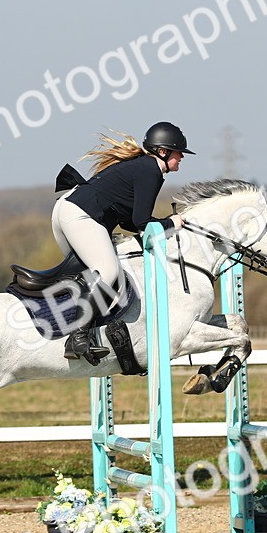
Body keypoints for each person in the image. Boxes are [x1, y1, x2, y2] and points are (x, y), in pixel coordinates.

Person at [51, 121, 195, 362]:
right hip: (80, 214)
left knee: (88, 277)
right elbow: (141, 222)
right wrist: (172, 223)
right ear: (163, 151)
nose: (181, 157)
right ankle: (76, 339)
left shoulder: (141, 166)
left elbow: (130, 222)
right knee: (107, 272)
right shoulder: (152, 170)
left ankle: (81, 330)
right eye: (178, 152)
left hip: (65, 210)